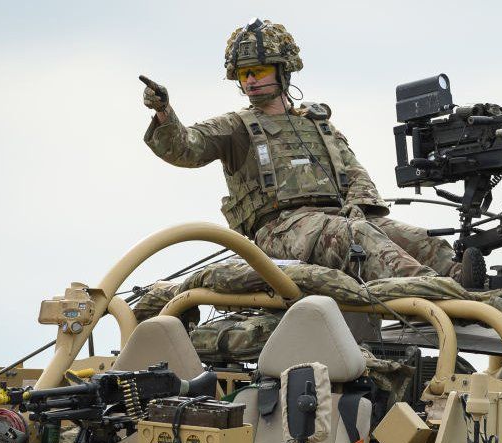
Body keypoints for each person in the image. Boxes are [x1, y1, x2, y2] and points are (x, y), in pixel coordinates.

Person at [141, 18, 464, 283]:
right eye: (244, 74)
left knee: (421, 239)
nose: (251, 81)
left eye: (259, 71)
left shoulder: (317, 123)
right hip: (280, 229)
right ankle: (434, 290)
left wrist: (356, 208)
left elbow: (355, 175)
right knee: (356, 236)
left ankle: (463, 280)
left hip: (340, 218)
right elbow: (186, 147)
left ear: (283, 71)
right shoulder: (236, 127)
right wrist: (164, 113)